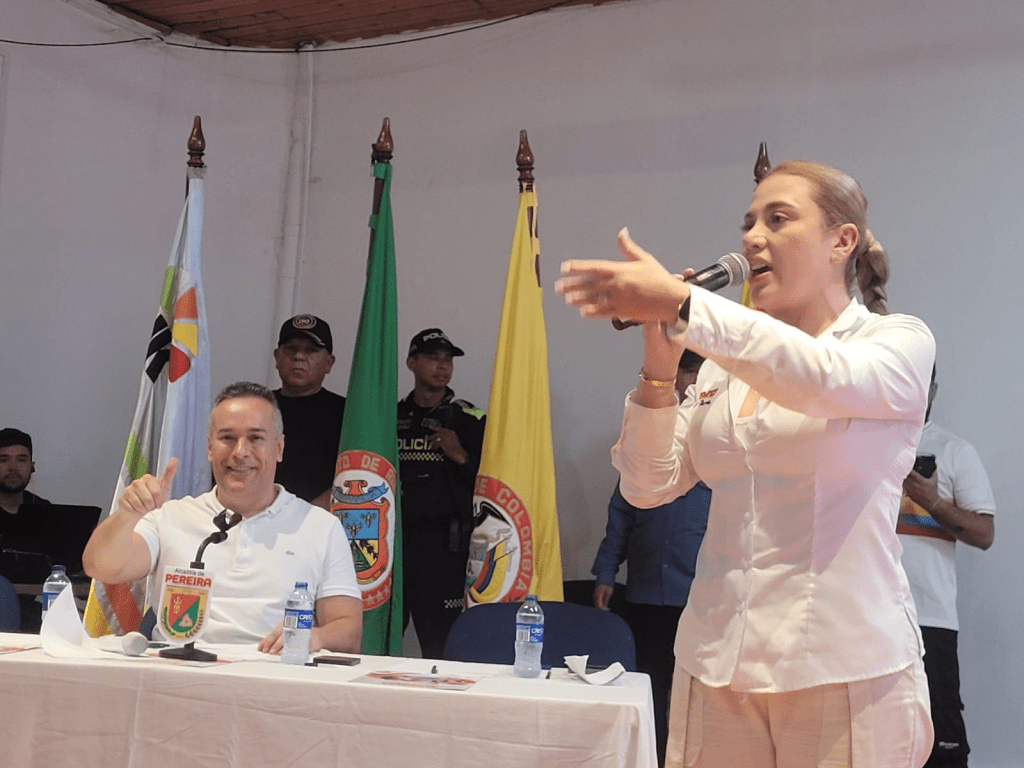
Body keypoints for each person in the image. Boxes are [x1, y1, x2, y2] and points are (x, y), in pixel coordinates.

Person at [557, 160, 936, 767]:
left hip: (841, 665)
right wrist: (659, 366)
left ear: (842, 241)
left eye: (778, 219)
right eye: (748, 223)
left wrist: (686, 303)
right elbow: (648, 485)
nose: (752, 238)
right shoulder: (721, 366)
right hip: (717, 658)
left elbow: (819, 378)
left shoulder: (896, 342)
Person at [83, 381, 362, 653]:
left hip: (273, 673)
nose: (240, 452)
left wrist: (315, 637)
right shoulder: (170, 516)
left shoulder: (320, 526)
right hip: (179, 672)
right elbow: (101, 567)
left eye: (255, 438)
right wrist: (128, 514)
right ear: (209, 448)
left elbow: (348, 631)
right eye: (227, 438)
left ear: (279, 448)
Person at [591, 350, 710, 768]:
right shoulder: (645, 442)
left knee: (696, 695)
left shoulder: (716, 446)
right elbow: (620, 517)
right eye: (682, 374)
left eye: (694, 374)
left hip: (698, 597)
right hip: (645, 592)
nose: (688, 383)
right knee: (648, 685)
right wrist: (606, 572)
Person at [900, 365, 995, 768]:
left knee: (942, 747)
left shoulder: (955, 451)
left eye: (921, 384)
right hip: (864, 620)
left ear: (933, 390)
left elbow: (984, 534)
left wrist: (933, 501)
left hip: (929, 618)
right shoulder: (864, 446)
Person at [398, 328, 485, 659]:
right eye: (433, 357)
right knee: (378, 646)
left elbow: (492, 486)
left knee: (441, 650)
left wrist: (459, 453)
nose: (442, 365)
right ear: (411, 362)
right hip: (396, 549)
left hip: (446, 553)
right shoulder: (391, 416)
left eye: (447, 359)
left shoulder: (471, 419)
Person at [272, 314, 345, 507]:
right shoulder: (256, 408)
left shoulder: (347, 415)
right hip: (256, 515)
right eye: (291, 349)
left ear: (329, 363)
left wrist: (306, 515)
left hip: (322, 519)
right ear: (277, 357)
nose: (298, 356)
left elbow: (353, 475)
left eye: (311, 350)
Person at [0, 428, 51, 533]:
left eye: (21, 460)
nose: (13, 467)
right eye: (3, 460)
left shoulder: (44, 510)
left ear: (32, 467)